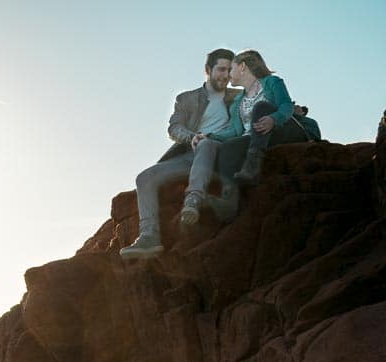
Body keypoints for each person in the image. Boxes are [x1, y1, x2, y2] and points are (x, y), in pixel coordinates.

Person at [120, 48, 239, 259]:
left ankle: (193, 200)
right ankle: (149, 237)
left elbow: (264, 103)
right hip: (190, 155)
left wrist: (294, 110)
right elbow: (174, 128)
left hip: (221, 154)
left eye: (230, 70)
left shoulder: (239, 97)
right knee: (144, 177)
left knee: (207, 143)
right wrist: (191, 137)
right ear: (208, 70)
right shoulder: (186, 99)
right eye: (221, 69)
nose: (226, 75)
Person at [206, 50, 308, 185]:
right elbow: (234, 131)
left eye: (231, 69)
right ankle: (229, 193)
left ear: (242, 67)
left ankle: (253, 163)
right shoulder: (237, 102)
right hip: (255, 137)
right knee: (229, 146)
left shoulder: (272, 82)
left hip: (282, 130)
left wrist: (274, 119)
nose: (228, 75)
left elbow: (286, 105)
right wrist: (209, 136)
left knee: (261, 107)